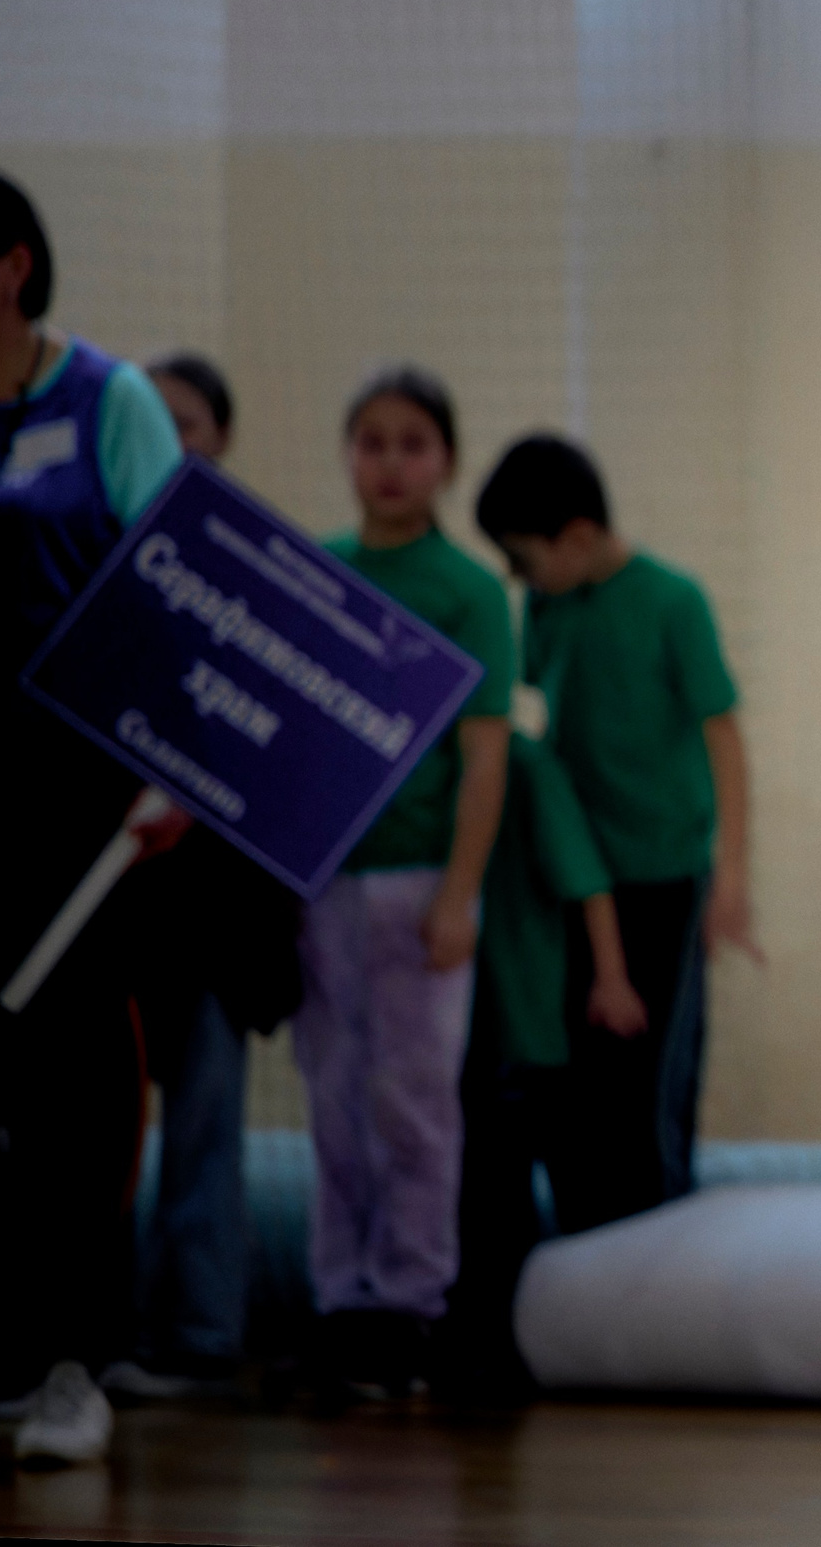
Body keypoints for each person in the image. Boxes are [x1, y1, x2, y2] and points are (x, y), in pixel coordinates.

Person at [0, 170, 186, 1465]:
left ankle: (75, 1362)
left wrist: (171, 764)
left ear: (10, 264)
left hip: (79, 799)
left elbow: (184, 583)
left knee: (74, 1078)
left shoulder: (107, 398)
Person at [473, 433, 756, 1233]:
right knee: (576, 1086)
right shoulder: (549, 605)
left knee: (647, 1087)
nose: (518, 577)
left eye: (524, 557)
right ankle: (582, 1267)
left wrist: (729, 878)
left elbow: (724, 736)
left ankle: (657, 1261)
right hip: (575, 881)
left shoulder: (672, 600)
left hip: (661, 879)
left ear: (578, 536)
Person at [301, 366, 513, 1402]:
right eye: (371, 440)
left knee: (416, 1102)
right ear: (347, 454)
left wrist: (458, 894)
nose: (390, 462)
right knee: (333, 1093)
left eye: (412, 443)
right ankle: (340, 1298)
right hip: (323, 881)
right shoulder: (315, 571)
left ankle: (412, 1303)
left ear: (446, 462)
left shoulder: (469, 591)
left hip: (420, 876)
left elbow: (484, 758)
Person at [103, 353, 304, 1403]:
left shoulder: (255, 577)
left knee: (205, 1126)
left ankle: (199, 1332)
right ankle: (90, 1329)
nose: (173, 440)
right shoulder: (99, 561)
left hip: (217, 916)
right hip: (112, 905)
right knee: (95, 1131)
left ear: (221, 438)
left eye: (189, 423)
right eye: (155, 422)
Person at [441, 695, 634, 1403]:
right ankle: (471, 1337)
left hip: (519, 1019)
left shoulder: (525, 766)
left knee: (504, 1191)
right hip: (454, 1026)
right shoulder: (427, 767)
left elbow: (587, 881)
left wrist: (610, 979)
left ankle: (506, 1344)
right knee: (474, 1185)